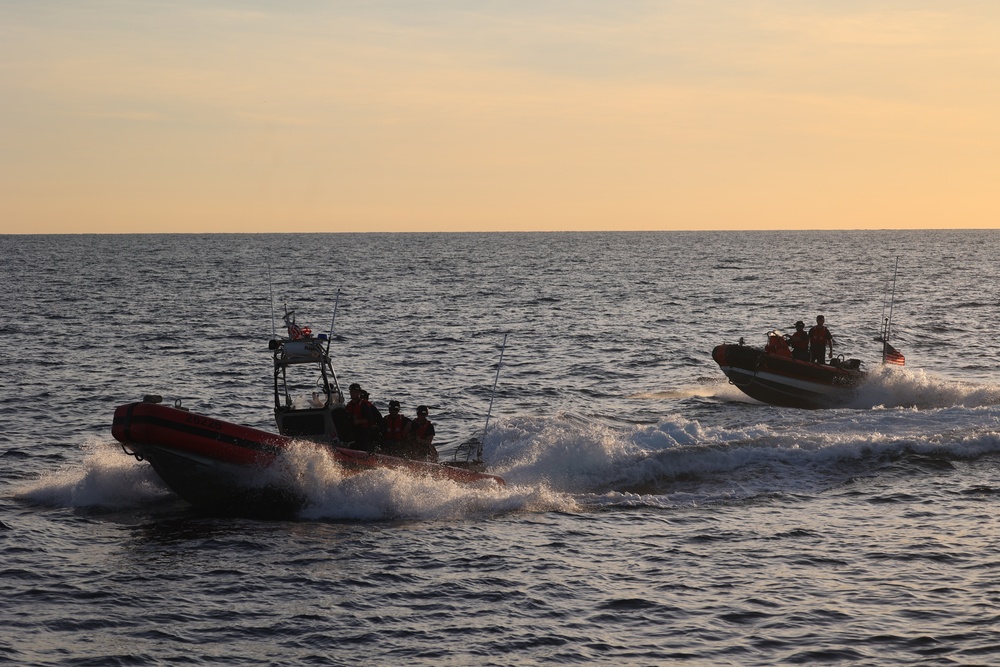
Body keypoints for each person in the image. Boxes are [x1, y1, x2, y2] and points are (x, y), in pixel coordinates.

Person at [345, 383, 375, 452]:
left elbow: (370, 419)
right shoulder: (349, 405)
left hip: (363, 431)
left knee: (363, 445)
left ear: (359, 393)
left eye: (355, 392)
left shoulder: (364, 405)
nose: (353, 394)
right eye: (352, 392)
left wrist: (358, 421)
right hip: (353, 431)